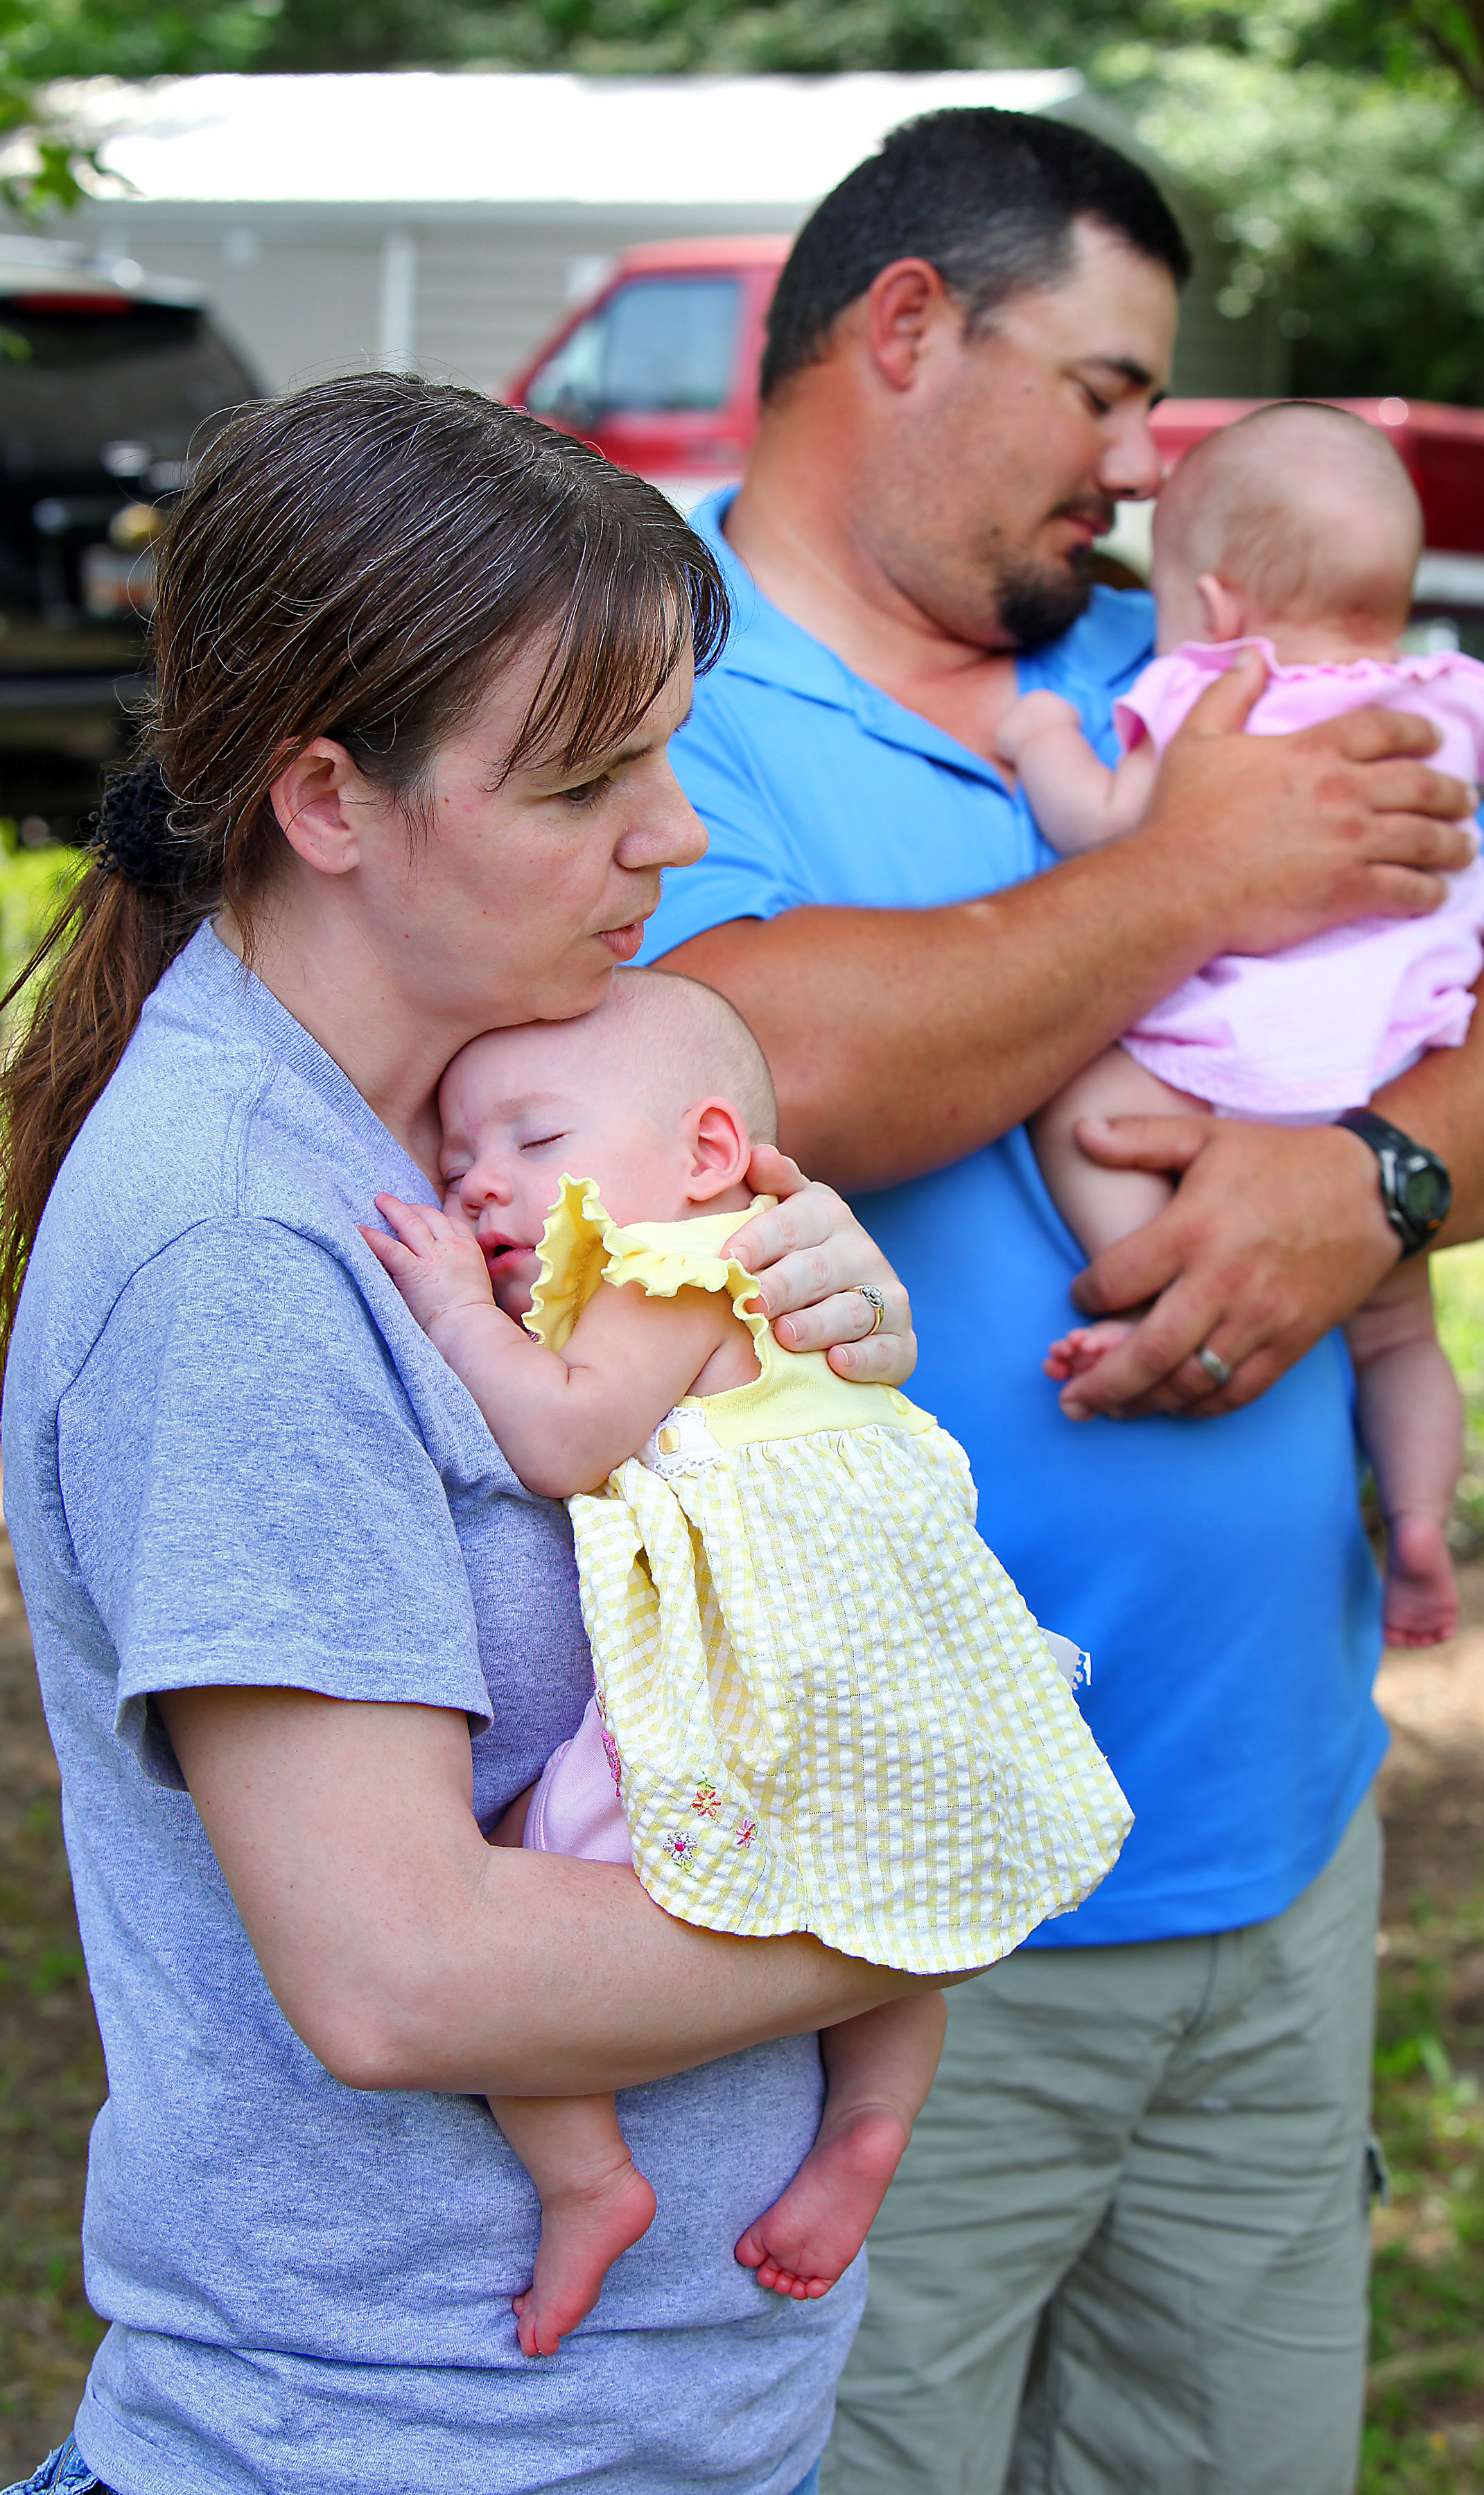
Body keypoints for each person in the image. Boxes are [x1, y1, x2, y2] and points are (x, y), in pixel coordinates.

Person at [638, 107, 1484, 2495]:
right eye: (1100, 391)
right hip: (876, 1926)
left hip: (1274, 1860)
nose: (1139, 466)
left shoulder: (1180, 659)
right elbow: (741, 1064)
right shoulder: (627, 638)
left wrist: (1367, 1184)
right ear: (902, 329)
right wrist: (1182, 886)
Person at [0, 376, 940, 2495]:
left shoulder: (493, 1119)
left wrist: (793, 1365)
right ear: (329, 799)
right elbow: (401, 1976)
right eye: (590, 777)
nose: (674, 835)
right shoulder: (240, 1245)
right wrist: (938, 1872)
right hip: (390, 2444)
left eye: (670, 756)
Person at [362, 971, 1127, 2358]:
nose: (479, 1190)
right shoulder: (785, 1271)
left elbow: (563, 1436)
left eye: (533, 1145)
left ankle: (585, 2175)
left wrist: (455, 1315)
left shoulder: (676, 1266)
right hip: (888, 1670)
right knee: (889, 1881)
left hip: (764, 1675)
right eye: (457, 1156)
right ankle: (873, 2116)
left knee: (531, 1867)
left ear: (708, 1156)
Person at [1005, 400, 1484, 1646]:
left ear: (1218, 604)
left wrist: (1039, 738)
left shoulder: (1208, 691)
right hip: (1388, 1069)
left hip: (1229, 1055)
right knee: (1402, 1331)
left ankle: (1147, 1285)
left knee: (1068, 1080)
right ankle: (1413, 1518)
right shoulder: (1449, 700)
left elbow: (1104, 821)